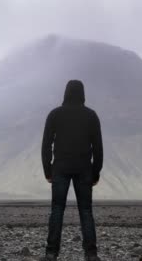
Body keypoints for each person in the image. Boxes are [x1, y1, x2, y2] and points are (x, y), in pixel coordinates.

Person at [41, 79, 103, 261]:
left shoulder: (55, 115)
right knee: (86, 211)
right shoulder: (91, 116)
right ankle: (91, 254)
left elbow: (46, 145)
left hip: (60, 168)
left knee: (57, 210)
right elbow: (98, 147)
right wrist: (96, 172)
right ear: (82, 93)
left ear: (65, 93)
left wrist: (48, 171)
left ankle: (51, 253)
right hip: (84, 168)